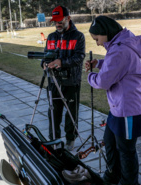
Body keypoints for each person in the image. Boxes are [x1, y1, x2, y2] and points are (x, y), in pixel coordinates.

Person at [85, 16, 141, 185]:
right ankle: (113, 175)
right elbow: (116, 66)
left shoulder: (119, 49)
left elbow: (104, 81)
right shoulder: (118, 46)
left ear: (105, 33)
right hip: (118, 108)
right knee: (110, 142)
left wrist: (90, 76)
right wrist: (99, 63)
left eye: (97, 39)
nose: (97, 44)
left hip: (128, 109)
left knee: (126, 149)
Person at [42, 5, 85, 151]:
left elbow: (79, 57)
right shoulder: (51, 37)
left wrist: (62, 62)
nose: (57, 24)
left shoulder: (78, 36)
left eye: (60, 21)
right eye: (55, 21)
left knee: (71, 113)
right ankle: (54, 139)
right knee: (53, 112)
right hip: (54, 81)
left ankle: (70, 139)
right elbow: (45, 55)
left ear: (68, 18)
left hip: (72, 81)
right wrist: (44, 64)